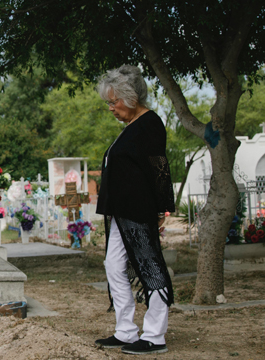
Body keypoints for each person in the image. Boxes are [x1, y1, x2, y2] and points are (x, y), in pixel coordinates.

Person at [94, 65, 175, 355]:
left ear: (131, 97)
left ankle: (155, 335)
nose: (111, 108)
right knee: (114, 266)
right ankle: (126, 331)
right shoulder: (131, 127)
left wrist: (162, 209)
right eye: (109, 102)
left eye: (114, 101)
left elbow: (159, 168)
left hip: (139, 210)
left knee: (149, 267)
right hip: (121, 212)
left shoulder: (150, 124)